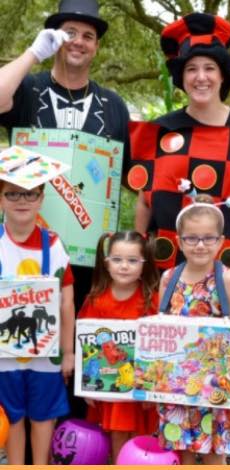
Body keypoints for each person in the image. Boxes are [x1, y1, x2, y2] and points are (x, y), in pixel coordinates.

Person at [129, 15, 230, 321]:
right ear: (181, 78)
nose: (200, 77)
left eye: (209, 68)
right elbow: (144, 201)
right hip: (167, 274)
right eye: (191, 69)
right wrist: (134, 258)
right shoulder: (162, 131)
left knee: (224, 357)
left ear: (222, 76)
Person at [0, 0, 130, 305]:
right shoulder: (27, 90)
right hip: (24, 248)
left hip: (88, 259)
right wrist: (33, 53)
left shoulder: (113, 106)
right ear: (54, 38)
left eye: (88, 36)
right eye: (69, 32)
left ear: (97, 46)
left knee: (75, 344)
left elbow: (127, 177)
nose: (78, 42)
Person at [156, 196, 230, 463]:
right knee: (181, 454)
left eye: (208, 238)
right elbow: (160, 329)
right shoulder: (169, 279)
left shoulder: (226, 279)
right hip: (177, 385)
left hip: (216, 388)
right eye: (192, 238)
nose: (200, 245)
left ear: (220, 241)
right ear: (179, 241)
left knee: (214, 456)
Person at [0, 173, 75, 465]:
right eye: (13, 194)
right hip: (5, 356)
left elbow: (67, 301)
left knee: (44, 416)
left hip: (47, 354)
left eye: (30, 194)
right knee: (12, 416)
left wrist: (68, 352)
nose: (22, 201)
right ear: (1, 198)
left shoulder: (54, 245)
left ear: (42, 199)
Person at [78, 230, 160, 460]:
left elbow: (161, 347)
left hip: (140, 385)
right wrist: (86, 385)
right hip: (108, 383)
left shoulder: (152, 299)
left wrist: (151, 388)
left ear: (144, 264)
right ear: (107, 263)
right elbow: (87, 345)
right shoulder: (96, 300)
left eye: (132, 260)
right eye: (117, 259)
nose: (124, 266)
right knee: (115, 436)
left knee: (140, 438)